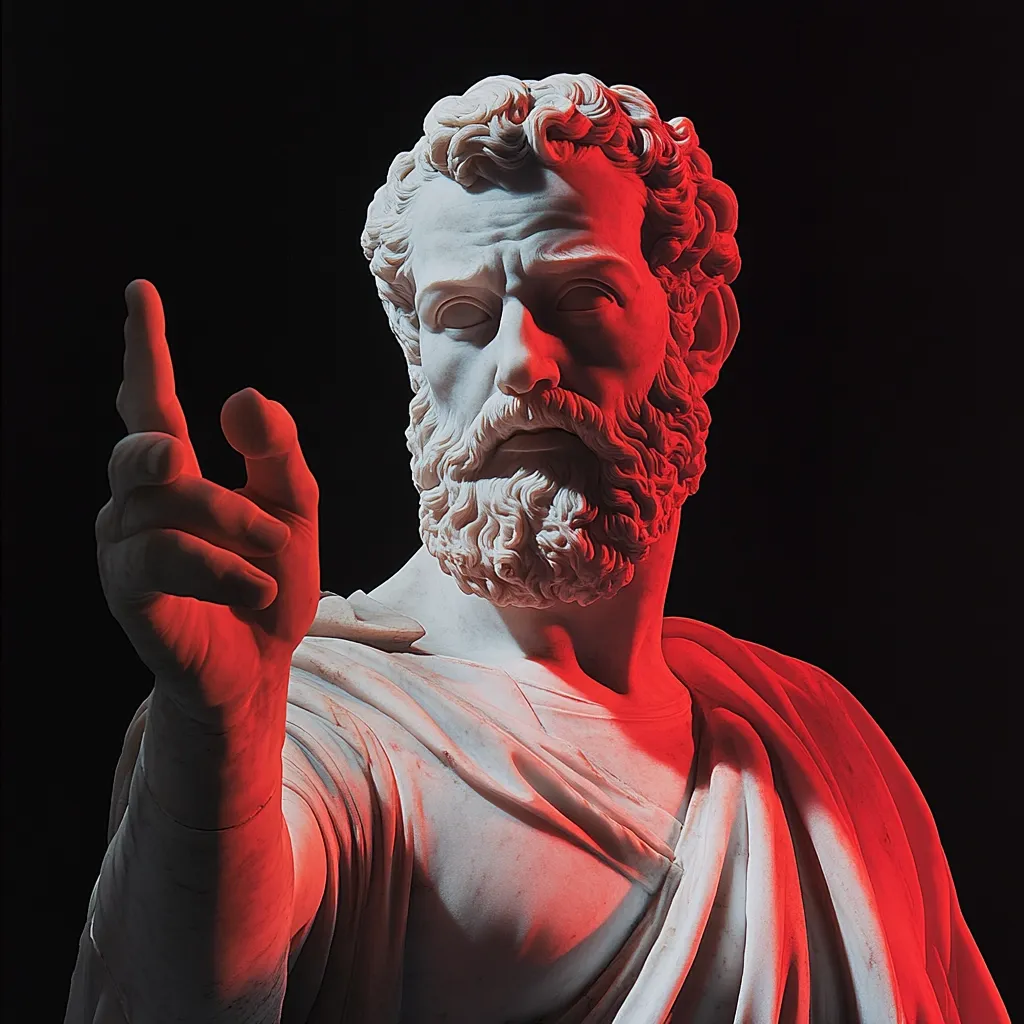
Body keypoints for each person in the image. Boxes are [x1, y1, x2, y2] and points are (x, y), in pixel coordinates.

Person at [65, 73, 1008, 1023]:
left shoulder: (819, 741)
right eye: (464, 316)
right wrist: (219, 735)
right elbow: (185, 995)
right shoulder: (321, 722)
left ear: (700, 328)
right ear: (416, 360)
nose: (520, 360)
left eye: (581, 294)